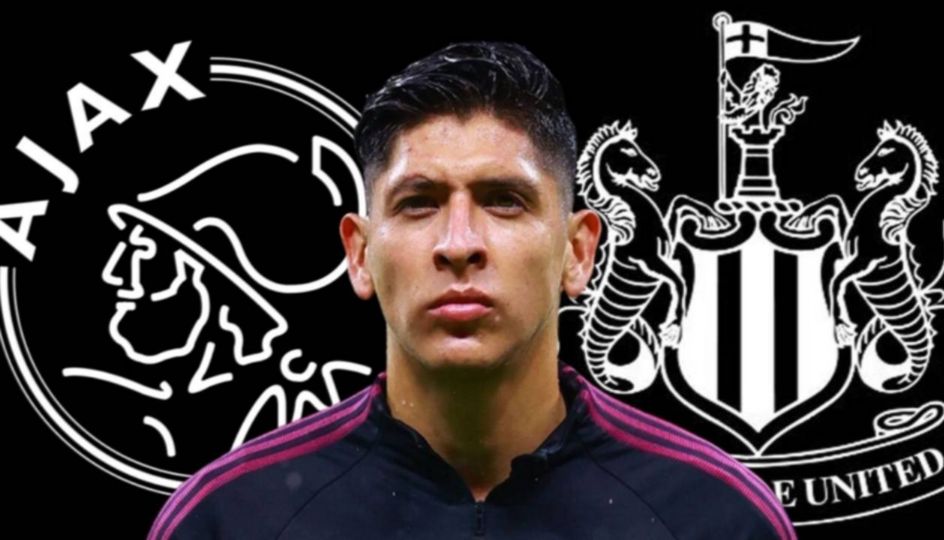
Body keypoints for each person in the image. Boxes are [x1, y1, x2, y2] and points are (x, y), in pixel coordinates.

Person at [146, 41, 797, 540]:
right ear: (360, 255)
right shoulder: (229, 519)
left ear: (578, 252)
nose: (459, 243)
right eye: (418, 202)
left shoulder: (716, 516)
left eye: (504, 200)